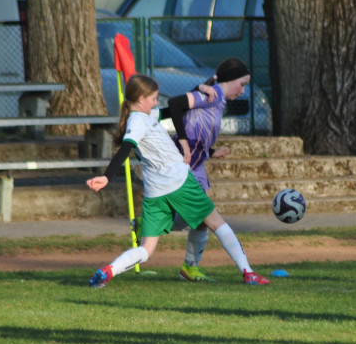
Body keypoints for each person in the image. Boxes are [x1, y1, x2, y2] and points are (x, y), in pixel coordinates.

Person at [86, 74, 269, 287]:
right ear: (141, 99)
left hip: (155, 192)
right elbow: (125, 148)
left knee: (146, 250)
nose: (156, 102)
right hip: (179, 182)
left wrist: (202, 86)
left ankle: (109, 271)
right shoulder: (137, 122)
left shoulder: (146, 114)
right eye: (153, 98)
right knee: (217, 223)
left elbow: (177, 107)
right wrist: (107, 176)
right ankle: (248, 273)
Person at [173, 57, 253, 283]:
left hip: (197, 164)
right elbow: (175, 104)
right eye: (242, 84)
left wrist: (211, 151)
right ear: (230, 79)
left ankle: (190, 267)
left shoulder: (218, 100)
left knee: (200, 219)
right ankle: (247, 271)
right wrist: (182, 141)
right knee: (209, 216)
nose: (243, 90)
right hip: (184, 164)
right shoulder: (213, 95)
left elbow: (198, 132)